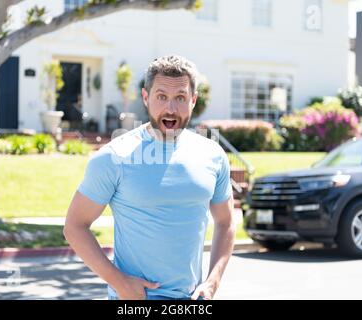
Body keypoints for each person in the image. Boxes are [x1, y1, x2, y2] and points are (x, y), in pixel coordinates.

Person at [64, 55, 236, 300]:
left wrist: (212, 282)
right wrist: (120, 283)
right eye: (161, 97)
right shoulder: (114, 157)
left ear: (193, 100)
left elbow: (226, 223)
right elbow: (75, 226)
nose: (171, 109)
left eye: (180, 98)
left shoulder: (213, 155)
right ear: (146, 98)